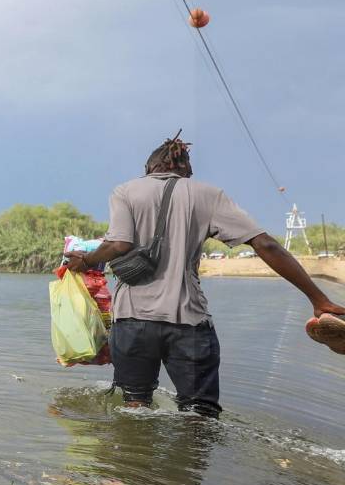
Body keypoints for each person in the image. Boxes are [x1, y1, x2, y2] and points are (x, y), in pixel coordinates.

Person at [65, 132, 345, 417]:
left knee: (135, 410)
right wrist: (318, 298)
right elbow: (266, 244)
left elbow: (118, 245)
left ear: (149, 168)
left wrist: (85, 260)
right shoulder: (208, 195)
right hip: (189, 323)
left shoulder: (125, 191)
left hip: (133, 323)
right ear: (185, 169)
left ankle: (137, 459)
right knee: (200, 417)